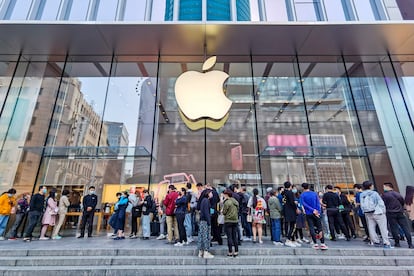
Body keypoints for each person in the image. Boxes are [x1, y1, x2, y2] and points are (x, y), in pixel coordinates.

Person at [360, 180, 392, 248]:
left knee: (371, 227)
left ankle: (375, 241)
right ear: (370, 186)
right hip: (378, 212)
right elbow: (380, 202)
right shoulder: (374, 193)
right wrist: (383, 211)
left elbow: (362, 204)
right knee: (383, 228)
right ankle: (386, 242)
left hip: (368, 213)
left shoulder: (362, 194)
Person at [382, 182, 413, 248]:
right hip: (400, 212)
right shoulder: (397, 194)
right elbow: (402, 202)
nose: (383, 188)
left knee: (394, 228)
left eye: (384, 186)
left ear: (388, 187)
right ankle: (410, 244)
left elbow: (383, 204)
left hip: (390, 213)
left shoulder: (384, 195)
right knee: (405, 228)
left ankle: (397, 243)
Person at [300, 183, 328, 250]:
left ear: (303, 188)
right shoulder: (314, 193)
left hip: (309, 213)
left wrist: (312, 210)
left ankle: (315, 243)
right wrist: (317, 211)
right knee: (319, 227)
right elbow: (318, 203)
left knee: (311, 227)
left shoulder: (302, 195)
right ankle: (322, 243)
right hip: (317, 213)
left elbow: (303, 204)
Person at [197, 189, 214, 259]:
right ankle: (206, 252)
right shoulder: (206, 201)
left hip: (202, 221)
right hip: (205, 221)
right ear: (208, 193)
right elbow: (206, 212)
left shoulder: (203, 200)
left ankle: (201, 251)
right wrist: (209, 222)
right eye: (211, 193)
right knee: (206, 236)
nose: (212, 194)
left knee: (201, 236)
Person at [222, 189, 239, 257]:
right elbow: (237, 209)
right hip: (235, 220)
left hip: (228, 220)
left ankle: (230, 251)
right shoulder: (235, 201)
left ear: (226, 195)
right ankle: (236, 251)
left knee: (229, 237)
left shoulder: (227, 202)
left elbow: (224, 212)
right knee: (234, 236)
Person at [282, 181, 297, 247]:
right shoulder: (290, 193)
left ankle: (292, 240)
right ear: (290, 186)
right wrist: (296, 208)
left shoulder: (283, 193)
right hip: (291, 211)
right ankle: (288, 240)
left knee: (290, 225)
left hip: (286, 210)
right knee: (293, 225)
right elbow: (292, 202)